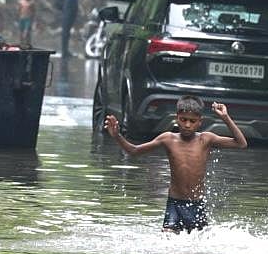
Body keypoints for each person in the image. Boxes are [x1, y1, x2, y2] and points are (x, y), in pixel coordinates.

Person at [104, 96, 248, 233]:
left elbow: (241, 143)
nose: (187, 125)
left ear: (200, 122)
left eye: (192, 121)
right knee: (168, 239)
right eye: (183, 119)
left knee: (197, 249)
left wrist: (225, 118)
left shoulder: (205, 139)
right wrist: (117, 136)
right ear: (176, 118)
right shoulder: (168, 139)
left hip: (196, 205)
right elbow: (134, 151)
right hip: (174, 204)